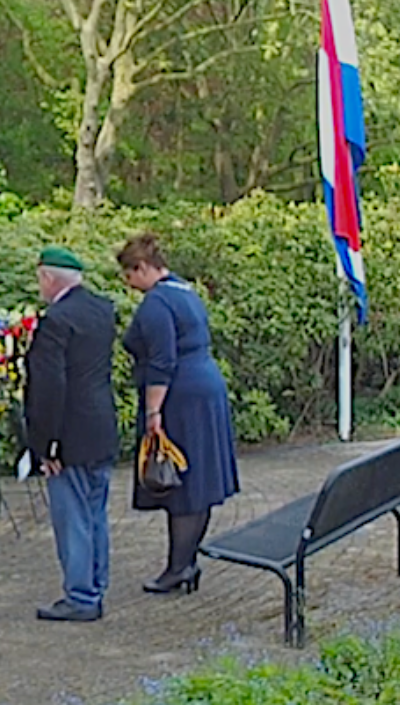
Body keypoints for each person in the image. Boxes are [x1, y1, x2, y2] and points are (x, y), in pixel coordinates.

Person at [117, 232, 240, 595]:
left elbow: (162, 361)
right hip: (206, 388)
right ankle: (184, 563)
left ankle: (177, 568)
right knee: (196, 482)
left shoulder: (156, 303)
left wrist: (153, 411)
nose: (128, 284)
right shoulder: (186, 291)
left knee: (181, 484)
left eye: (128, 275)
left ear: (141, 268)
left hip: (181, 397)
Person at [23, 246, 120, 622]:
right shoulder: (102, 310)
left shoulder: (56, 322)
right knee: (95, 511)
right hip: (100, 426)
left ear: (48, 278)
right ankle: (96, 584)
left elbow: (50, 388)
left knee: (73, 517)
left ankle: (81, 596)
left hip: (69, 435)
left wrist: (46, 443)